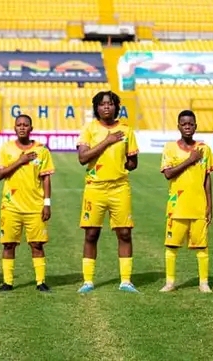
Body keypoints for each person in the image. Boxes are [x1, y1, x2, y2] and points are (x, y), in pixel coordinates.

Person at [76, 91, 139, 294]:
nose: (106, 107)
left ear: (116, 107)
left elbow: (132, 162)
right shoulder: (89, 128)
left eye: (110, 104)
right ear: (96, 107)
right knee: (92, 233)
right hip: (95, 187)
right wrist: (108, 141)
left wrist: (126, 161)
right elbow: (83, 157)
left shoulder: (126, 130)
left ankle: (126, 281)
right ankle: (88, 281)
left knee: (124, 233)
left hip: (120, 187)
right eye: (102, 104)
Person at [0, 114, 55, 292]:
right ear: (14, 128)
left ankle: (40, 281)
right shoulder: (6, 149)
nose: (22, 127)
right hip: (11, 205)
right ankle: (8, 282)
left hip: (35, 206)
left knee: (37, 244)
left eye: (25, 125)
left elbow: (46, 179)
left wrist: (47, 203)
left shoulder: (41, 150)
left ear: (31, 128)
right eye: (19, 125)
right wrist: (20, 161)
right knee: (8, 244)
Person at [159, 110, 213, 293]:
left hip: (198, 205)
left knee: (202, 246)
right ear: (178, 126)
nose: (187, 127)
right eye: (184, 124)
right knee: (171, 245)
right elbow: (168, 173)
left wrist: (210, 205)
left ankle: (204, 282)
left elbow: (207, 179)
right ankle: (170, 283)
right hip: (177, 206)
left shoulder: (204, 149)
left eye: (191, 124)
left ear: (195, 126)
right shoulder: (170, 148)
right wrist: (190, 160)